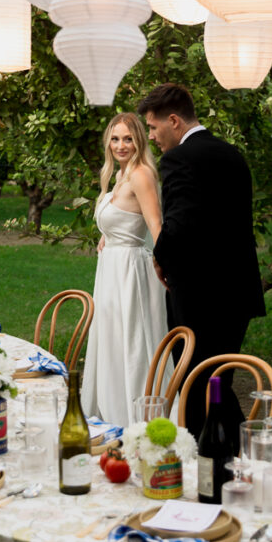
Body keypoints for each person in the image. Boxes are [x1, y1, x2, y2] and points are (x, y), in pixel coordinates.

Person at [137, 83, 265, 443]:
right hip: (237, 293)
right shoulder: (232, 154)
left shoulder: (179, 159)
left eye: (153, 127)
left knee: (195, 388)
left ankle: (203, 465)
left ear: (174, 121)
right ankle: (243, 455)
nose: (152, 136)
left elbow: (178, 223)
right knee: (218, 382)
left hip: (199, 294)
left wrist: (160, 258)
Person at [81, 112, 169, 428]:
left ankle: (136, 418)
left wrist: (166, 264)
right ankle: (110, 411)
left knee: (131, 341)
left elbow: (155, 224)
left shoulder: (141, 174)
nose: (121, 145)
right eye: (116, 139)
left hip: (131, 272)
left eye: (128, 139)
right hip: (111, 269)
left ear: (139, 141)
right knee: (111, 339)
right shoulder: (118, 175)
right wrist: (109, 234)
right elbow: (123, 216)